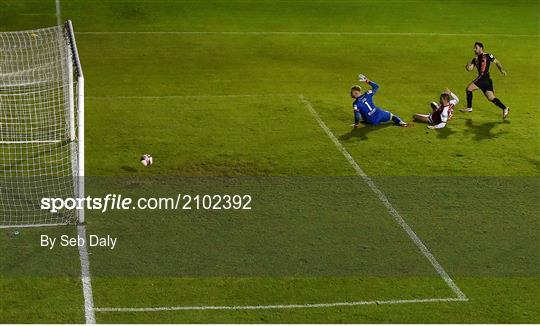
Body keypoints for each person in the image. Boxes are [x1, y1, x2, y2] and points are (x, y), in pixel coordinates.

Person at [462, 42, 510, 119]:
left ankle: (469, 108)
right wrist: (467, 67)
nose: (474, 49)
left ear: (481, 48)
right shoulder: (475, 59)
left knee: (468, 89)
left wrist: (501, 70)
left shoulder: (488, 55)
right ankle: (505, 108)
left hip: (483, 77)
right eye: (474, 48)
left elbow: (497, 62)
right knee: (491, 98)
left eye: (476, 48)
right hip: (486, 79)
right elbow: (470, 69)